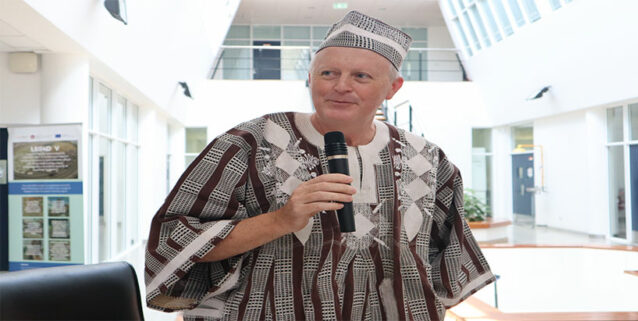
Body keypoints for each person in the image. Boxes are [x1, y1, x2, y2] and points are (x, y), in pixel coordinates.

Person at [145, 10, 494, 321]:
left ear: (393, 88)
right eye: (328, 73)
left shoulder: (428, 160)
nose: (341, 87)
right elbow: (173, 239)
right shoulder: (248, 143)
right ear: (310, 78)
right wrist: (280, 220)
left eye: (360, 76)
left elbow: (448, 260)